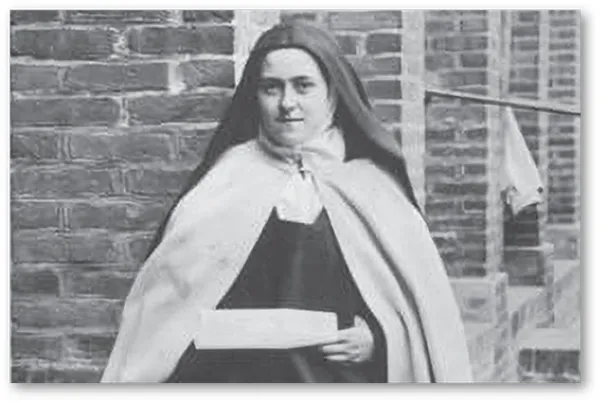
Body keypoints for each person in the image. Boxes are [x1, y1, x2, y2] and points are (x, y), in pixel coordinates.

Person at [100, 20, 472, 383]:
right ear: (255, 96)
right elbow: (169, 308)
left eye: (303, 86)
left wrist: (377, 336)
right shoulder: (225, 179)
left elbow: (420, 313)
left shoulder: (373, 186)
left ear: (332, 92)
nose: (287, 103)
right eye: (271, 88)